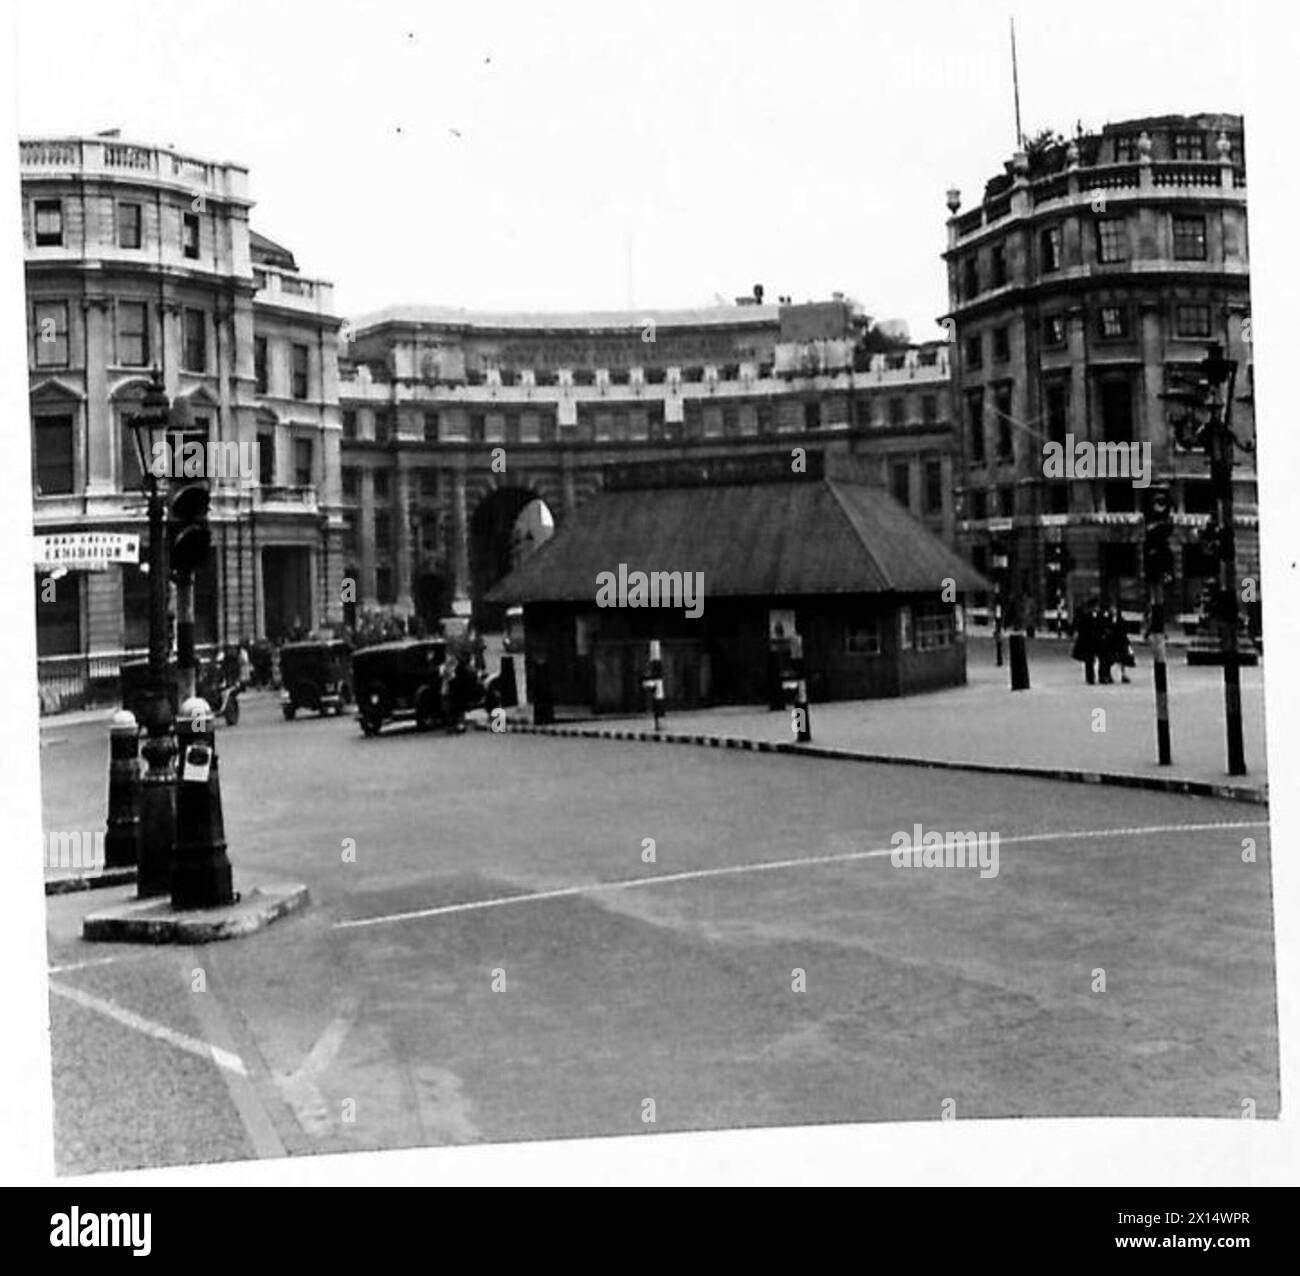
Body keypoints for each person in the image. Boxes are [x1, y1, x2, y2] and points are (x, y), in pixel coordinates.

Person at [1071, 598, 1101, 685]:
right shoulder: (1087, 616)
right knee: (1090, 659)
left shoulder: (1087, 615)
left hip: (1088, 640)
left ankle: (1090, 677)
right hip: (1088, 640)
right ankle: (1090, 677)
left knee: (1090, 660)